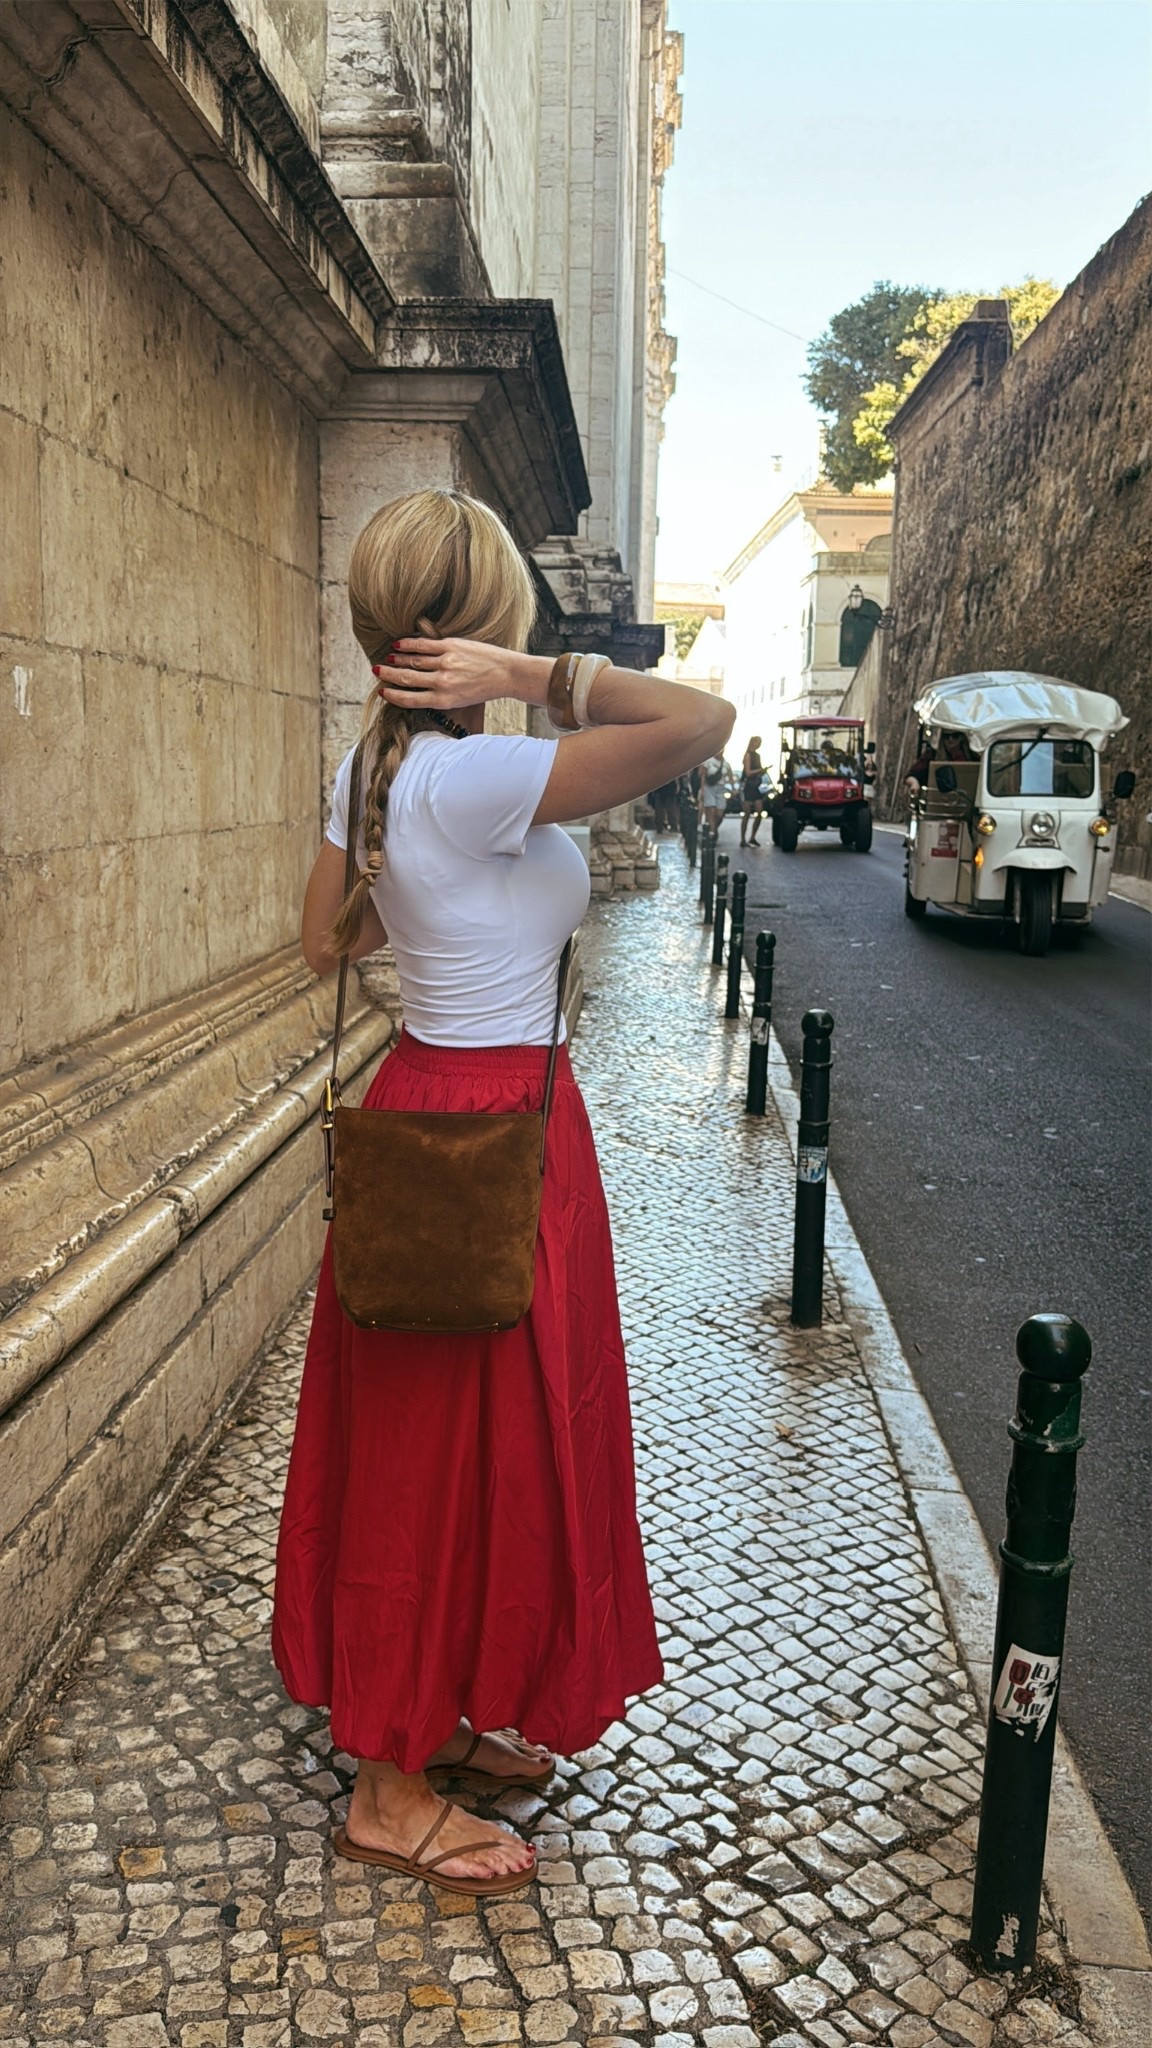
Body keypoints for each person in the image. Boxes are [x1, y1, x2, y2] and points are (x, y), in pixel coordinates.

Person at [273, 487, 735, 1898]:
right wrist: (531, 681)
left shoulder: (381, 773)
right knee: (447, 1446)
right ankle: (388, 1789)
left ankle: (438, 1713)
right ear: (472, 631)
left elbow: (314, 943)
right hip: (488, 1123)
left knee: (466, 1438)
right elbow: (703, 724)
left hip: (456, 1103)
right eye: (508, 625)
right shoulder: (468, 777)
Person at [740, 736, 765, 847]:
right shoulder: (748, 755)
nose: (759, 745)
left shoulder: (758, 756)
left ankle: (752, 837)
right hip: (747, 787)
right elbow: (748, 772)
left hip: (755, 787)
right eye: (758, 742)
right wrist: (760, 770)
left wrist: (762, 771)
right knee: (747, 813)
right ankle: (743, 839)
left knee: (759, 812)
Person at [698, 752, 728, 834]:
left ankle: (712, 827)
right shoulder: (708, 762)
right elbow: (702, 776)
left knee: (719, 813)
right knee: (711, 809)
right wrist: (703, 789)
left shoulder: (725, 763)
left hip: (721, 788)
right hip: (709, 788)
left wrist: (732, 789)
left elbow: (730, 776)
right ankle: (712, 831)